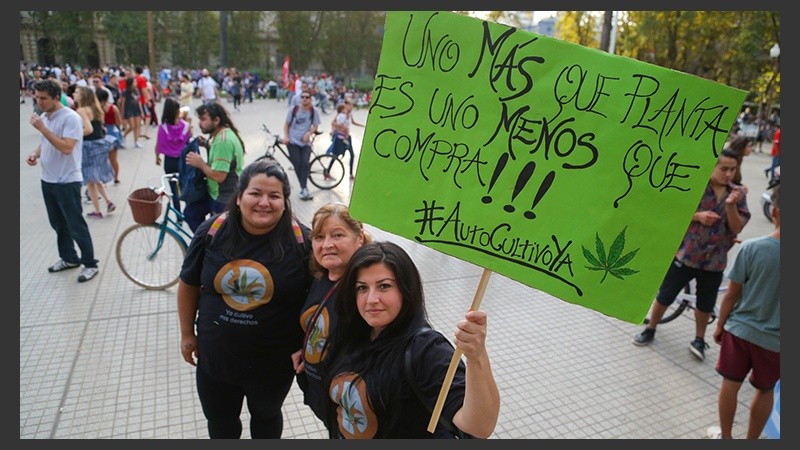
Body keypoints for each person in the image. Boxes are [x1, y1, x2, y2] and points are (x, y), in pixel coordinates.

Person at [177, 159, 313, 438]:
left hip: (273, 363)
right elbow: (188, 283)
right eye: (255, 193)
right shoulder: (212, 232)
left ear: (284, 202)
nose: (264, 202)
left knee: (266, 417)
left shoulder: (302, 242)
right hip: (216, 358)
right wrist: (186, 333)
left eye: (274, 196)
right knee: (221, 422)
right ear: (239, 197)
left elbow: (320, 297)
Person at [322, 241, 500, 438]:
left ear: (406, 289)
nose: (371, 299)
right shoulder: (352, 332)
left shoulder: (426, 349)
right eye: (362, 288)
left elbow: (478, 426)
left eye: (384, 286)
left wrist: (477, 356)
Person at [634, 149, 750, 360]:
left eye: (733, 170)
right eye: (724, 169)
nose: (728, 174)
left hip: (714, 262)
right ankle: (651, 328)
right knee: (665, 295)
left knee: (705, 304)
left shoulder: (737, 195)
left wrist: (731, 205)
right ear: (713, 166)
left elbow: (737, 227)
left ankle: (699, 339)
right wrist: (698, 216)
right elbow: (672, 213)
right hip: (686, 255)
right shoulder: (694, 187)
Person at [706, 184, 780, 440]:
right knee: (765, 390)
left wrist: (719, 325)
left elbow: (731, 294)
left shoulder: (752, 248)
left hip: (740, 332)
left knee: (730, 383)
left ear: (774, 212)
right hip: (776, 342)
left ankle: (726, 438)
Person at [291, 202, 372, 430]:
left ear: (360, 238)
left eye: (337, 235)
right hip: (322, 396)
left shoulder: (367, 287)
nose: (327, 244)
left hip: (352, 408)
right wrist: (309, 349)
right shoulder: (321, 277)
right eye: (319, 237)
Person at [25, 78, 99, 283]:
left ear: (56, 98)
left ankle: (90, 263)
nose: (39, 102)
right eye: (37, 98)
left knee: (75, 224)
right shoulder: (45, 117)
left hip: (67, 180)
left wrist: (43, 129)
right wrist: (36, 154)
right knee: (58, 223)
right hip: (48, 179)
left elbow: (67, 147)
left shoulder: (70, 118)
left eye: (43, 98)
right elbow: (46, 142)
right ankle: (68, 257)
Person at [183, 101, 245, 232]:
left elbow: (219, 176)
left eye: (203, 119)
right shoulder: (222, 134)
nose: (199, 124)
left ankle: (207, 242)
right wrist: (206, 145)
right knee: (191, 213)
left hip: (222, 197)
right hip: (214, 192)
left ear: (216, 120)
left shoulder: (223, 142)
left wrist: (200, 163)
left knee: (215, 234)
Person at [74, 86, 116, 219]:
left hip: (88, 146)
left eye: (77, 92)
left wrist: (74, 134)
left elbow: (88, 129)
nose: (74, 94)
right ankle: (108, 201)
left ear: (83, 96)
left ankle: (97, 210)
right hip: (100, 144)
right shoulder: (96, 109)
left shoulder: (82, 110)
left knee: (90, 180)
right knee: (96, 177)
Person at [156, 97, 192, 215]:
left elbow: (158, 144)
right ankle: (188, 213)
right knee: (186, 187)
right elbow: (189, 141)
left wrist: (157, 157)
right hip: (183, 161)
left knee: (174, 191)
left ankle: (178, 217)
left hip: (169, 162)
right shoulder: (185, 126)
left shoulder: (163, 127)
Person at [283, 89, 320, 201]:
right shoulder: (293, 109)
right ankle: (304, 188)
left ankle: (304, 188)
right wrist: (286, 137)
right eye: (302, 97)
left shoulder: (313, 111)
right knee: (297, 164)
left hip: (305, 142)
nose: (304, 99)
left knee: (305, 164)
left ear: (310, 99)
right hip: (293, 141)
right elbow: (286, 124)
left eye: (307, 97)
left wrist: (309, 133)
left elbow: (315, 126)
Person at [326, 100, 363, 181]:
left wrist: (362, 126)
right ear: (346, 106)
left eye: (352, 105)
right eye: (350, 105)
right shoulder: (341, 114)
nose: (351, 107)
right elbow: (333, 123)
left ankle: (351, 174)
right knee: (336, 155)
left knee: (352, 154)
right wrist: (343, 129)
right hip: (341, 137)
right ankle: (327, 172)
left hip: (347, 138)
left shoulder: (349, 114)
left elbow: (353, 122)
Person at [96, 88, 123, 184]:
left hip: (101, 132)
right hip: (112, 133)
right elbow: (119, 122)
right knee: (113, 158)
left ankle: (104, 177)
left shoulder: (96, 109)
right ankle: (116, 176)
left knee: (103, 158)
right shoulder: (113, 108)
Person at [119, 75, 144, 148]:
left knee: (137, 126)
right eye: (134, 82)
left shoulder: (137, 91)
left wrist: (142, 111)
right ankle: (123, 136)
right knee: (132, 126)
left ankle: (136, 141)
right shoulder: (125, 91)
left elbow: (139, 101)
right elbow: (123, 102)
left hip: (136, 109)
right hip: (129, 109)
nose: (136, 83)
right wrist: (122, 112)